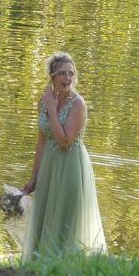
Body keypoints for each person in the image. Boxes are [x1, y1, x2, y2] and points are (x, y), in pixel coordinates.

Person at [21, 51, 106, 259]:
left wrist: (52, 110)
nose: (67, 78)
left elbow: (65, 140)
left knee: (65, 219)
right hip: (49, 167)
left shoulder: (78, 104)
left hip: (70, 167)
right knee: (46, 216)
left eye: (71, 73)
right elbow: (42, 141)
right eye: (62, 73)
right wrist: (34, 177)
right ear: (52, 77)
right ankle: (41, 264)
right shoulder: (43, 101)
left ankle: (67, 264)